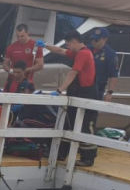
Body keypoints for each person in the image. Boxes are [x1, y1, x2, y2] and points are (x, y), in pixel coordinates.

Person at [49, 31, 99, 166]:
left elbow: (73, 73)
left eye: (69, 44)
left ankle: (88, 158)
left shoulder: (83, 54)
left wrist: (60, 90)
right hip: (77, 92)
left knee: (85, 125)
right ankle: (61, 153)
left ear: (75, 42)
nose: (68, 47)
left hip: (87, 93)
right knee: (69, 122)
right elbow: (60, 51)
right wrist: (45, 46)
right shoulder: (78, 53)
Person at [89, 27, 120, 101]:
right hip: (82, 87)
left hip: (97, 89)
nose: (93, 41)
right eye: (92, 39)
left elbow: (114, 75)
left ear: (104, 39)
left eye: (96, 40)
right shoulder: (87, 48)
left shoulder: (110, 54)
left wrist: (109, 93)